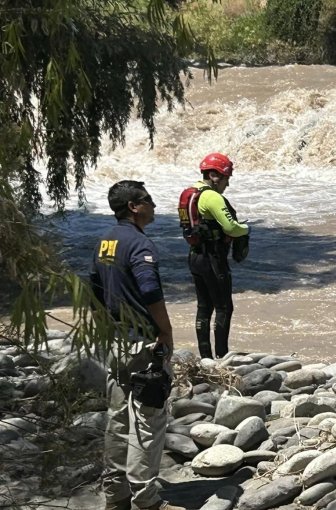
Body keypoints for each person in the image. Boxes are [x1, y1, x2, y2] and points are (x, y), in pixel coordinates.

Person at [90, 180, 184, 510]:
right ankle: (146, 498)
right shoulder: (139, 244)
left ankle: (116, 495)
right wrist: (166, 331)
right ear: (134, 206)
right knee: (149, 419)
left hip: (115, 342)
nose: (154, 205)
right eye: (149, 200)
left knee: (117, 418)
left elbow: (95, 291)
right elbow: (150, 291)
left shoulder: (105, 242)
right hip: (144, 345)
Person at [182, 153, 249, 359]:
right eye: (226, 179)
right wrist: (245, 229)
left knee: (204, 307)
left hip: (195, 256)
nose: (227, 184)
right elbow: (231, 227)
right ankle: (222, 356)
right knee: (224, 307)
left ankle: (205, 357)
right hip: (213, 259)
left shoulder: (190, 192)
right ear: (214, 175)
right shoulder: (212, 196)